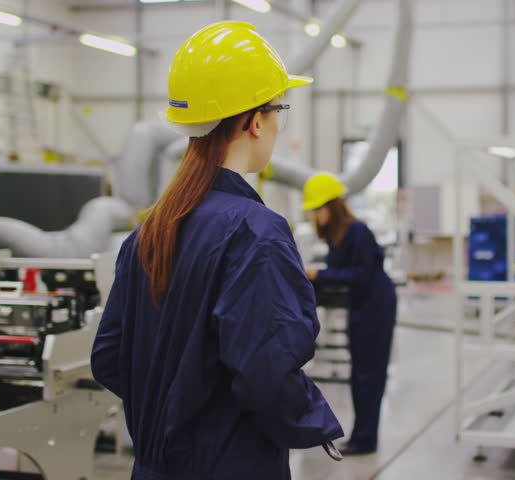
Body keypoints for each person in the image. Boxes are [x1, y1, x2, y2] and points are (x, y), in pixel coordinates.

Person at [91, 22, 343, 480]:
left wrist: (172, 414)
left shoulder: (150, 230)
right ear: (255, 121)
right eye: (279, 109)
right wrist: (315, 421)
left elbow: (110, 356)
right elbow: (267, 370)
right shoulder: (256, 233)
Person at [302, 173, 398, 455]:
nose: (315, 216)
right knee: (360, 372)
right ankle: (361, 435)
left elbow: (361, 276)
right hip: (361, 304)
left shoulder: (357, 231)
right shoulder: (337, 236)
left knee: (369, 373)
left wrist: (319, 275)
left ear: (332, 206)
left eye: (318, 209)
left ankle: (365, 439)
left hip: (376, 306)